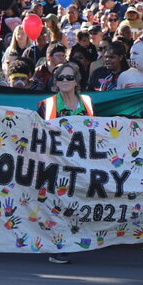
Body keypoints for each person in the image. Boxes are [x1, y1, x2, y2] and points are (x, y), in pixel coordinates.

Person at [38, 61, 94, 266]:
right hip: (56, 164)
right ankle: (58, 247)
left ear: (77, 81)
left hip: (80, 163)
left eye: (69, 77)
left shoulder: (87, 101)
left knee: (75, 204)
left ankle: (72, 241)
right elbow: (35, 131)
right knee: (57, 205)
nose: (65, 81)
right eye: (60, 78)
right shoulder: (48, 104)